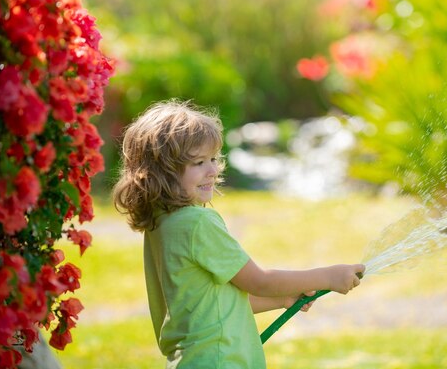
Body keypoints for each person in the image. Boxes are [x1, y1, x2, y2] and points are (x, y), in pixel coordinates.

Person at [113, 100, 365, 368]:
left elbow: (214, 304)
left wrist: (282, 299)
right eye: (198, 162)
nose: (212, 170)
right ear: (162, 172)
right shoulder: (198, 223)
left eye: (213, 159)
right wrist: (330, 276)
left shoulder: (163, 225)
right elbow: (259, 282)